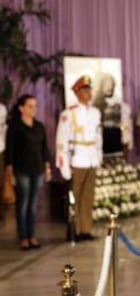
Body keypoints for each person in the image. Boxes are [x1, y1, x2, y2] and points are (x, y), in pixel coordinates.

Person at [56, 75, 103, 242]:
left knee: (88, 197)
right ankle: (74, 230)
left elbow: (98, 136)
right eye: (85, 90)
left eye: (89, 89)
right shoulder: (69, 114)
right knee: (74, 197)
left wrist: (99, 157)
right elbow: (61, 140)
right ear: (77, 93)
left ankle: (85, 229)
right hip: (76, 159)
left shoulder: (95, 112)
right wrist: (63, 165)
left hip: (91, 158)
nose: (88, 93)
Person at [5, 94, 51, 250]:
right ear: (21, 108)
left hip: (37, 169)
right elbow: (9, 151)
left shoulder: (39, 126)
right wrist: (10, 173)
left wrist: (47, 167)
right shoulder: (15, 127)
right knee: (23, 204)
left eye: (35, 106)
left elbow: (44, 149)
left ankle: (32, 235)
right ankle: (23, 236)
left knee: (33, 205)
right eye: (30, 106)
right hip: (21, 170)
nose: (34, 109)